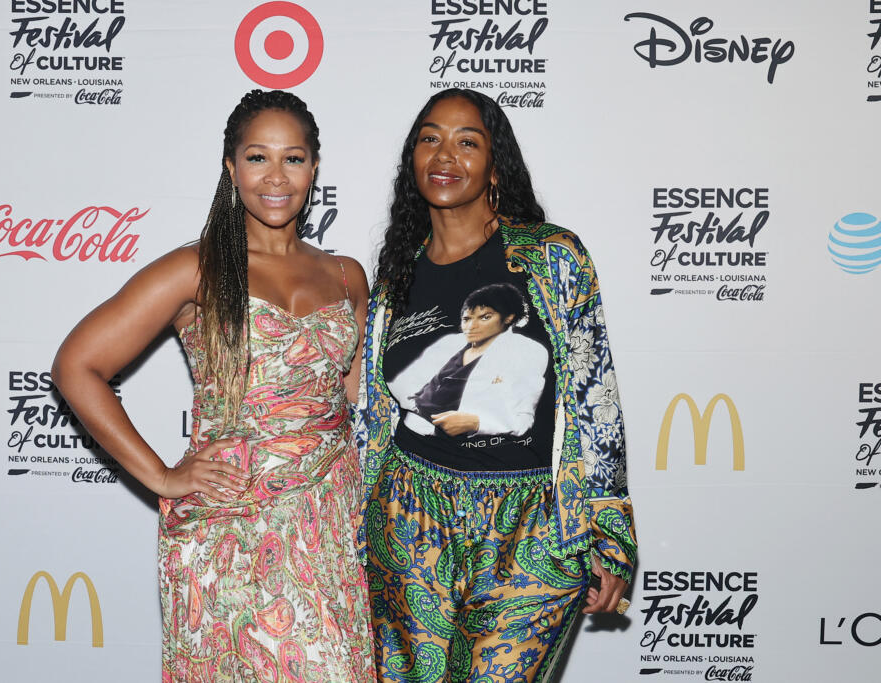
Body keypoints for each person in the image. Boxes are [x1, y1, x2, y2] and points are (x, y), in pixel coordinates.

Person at [52, 89, 374, 683]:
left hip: (330, 522)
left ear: (315, 168)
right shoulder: (196, 268)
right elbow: (77, 365)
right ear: (231, 168)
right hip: (231, 530)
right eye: (257, 158)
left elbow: (363, 405)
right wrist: (162, 476)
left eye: (293, 158)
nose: (275, 176)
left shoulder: (346, 275)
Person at [355, 89, 638, 682]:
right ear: (412, 158)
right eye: (429, 138)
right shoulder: (394, 273)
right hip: (409, 521)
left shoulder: (550, 257)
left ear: (494, 163)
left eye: (467, 142)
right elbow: (377, 411)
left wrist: (610, 531)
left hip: (529, 524)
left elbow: (595, 397)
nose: (445, 155)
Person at [388, 282, 549, 446]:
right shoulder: (450, 342)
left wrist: (476, 423)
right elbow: (406, 383)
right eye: (467, 319)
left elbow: (523, 418)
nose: (472, 326)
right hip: (414, 439)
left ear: (509, 317)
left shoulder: (527, 351)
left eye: (485, 317)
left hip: (471, 453)